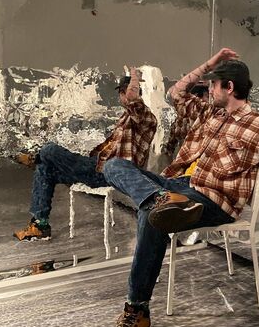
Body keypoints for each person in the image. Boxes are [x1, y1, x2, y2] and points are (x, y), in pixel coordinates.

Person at [101, 47, 259, 327]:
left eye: (213, 84)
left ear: (228, 87)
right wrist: (212, 62)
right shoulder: (210, 113)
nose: (208, 89)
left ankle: (137, 310)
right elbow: (175, 93)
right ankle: (160, 199)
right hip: (183, 187)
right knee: (113, 166)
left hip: (215, 200)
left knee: (152, 214)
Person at [13, 67, 157, 241]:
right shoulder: (125, 118)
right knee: (45, 168)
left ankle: (35, 157)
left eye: (124, 92)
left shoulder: (145, 117)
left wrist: (134, 80)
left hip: (113, 174)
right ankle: (40, 225)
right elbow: (107, 148)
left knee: (49, 150)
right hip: (97, 167)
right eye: (121, 93)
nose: (122, 97)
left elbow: (134, 101)